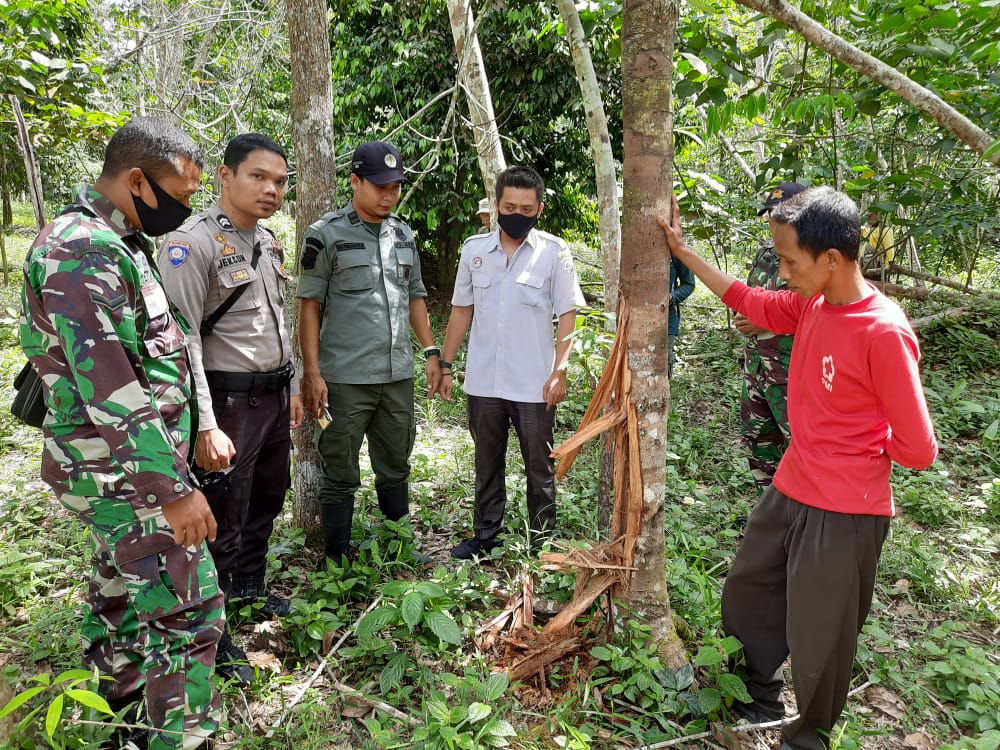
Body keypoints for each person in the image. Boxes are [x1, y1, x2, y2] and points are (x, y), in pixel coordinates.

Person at [657, 186, 937, 750]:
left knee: (821, 633)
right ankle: (754, 693)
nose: (782, 272)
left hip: (845, 507)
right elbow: (749, 300)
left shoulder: (882, 331)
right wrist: (682, 253)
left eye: (789, 261)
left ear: (831, 259)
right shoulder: (813, 303)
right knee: (748, 590)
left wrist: (859, 443)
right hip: (792, 484)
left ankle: (807, 736)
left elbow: (920, 449)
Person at [19, 117, 223, 750]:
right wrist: (172, 488)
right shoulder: (82, 249)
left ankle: (121, 720)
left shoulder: (120, 239)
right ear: (137, 180)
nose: (187, 207)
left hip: (124, 468)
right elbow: (108, 386)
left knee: (121, 598)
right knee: (188, 613)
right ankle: (182, 738)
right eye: (183, 195)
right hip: (124, 472)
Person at [158, 134, 303, 679]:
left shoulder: (266, 241)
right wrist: (206, 423)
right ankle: (210, 635)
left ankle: (249, 590)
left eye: (280, 181)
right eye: (258, 177)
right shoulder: (189, 244)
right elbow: (183, 338)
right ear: (225, 175)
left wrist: (291, 388)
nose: (271, 190)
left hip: (270, 397)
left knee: (266, 495)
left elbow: (276, 322)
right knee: (220, 512)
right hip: (224, 402)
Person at [297, 140, 438, 567]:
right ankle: (336, 558)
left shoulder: (403, 233)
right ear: (355, 181)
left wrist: (430, 351)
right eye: (379, 187)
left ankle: (399, 547)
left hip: (396, 376)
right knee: (339, 470)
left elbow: (415, 296)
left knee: (396, 465)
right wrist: (312, 372)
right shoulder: (326, 235)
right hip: (343, 378)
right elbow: (309, 305)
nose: (389, 196)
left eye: (395, 187)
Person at [432, 166, 585, 559]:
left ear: (540, 209)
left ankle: (541, 541)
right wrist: (446, 364)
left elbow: (568, 314)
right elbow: (461, 311)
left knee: (540, 467)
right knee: (487, 463)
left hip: (535, 383)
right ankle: (485, 536)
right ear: (496, 205)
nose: (517, 213)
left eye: (526, 207)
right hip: (484, 382)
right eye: (509, 205)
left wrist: (560, 370)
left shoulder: (554, 253)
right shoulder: (474, 251)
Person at [736, 181, 805, 492]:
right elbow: (752, 295)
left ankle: (803, 525)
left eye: (782, 214)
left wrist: (763, 322)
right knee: (759, 440)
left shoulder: (812, 260)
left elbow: (813, 312)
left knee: (801, 448)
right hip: (758, 367)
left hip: (792, 372)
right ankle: (770, 513)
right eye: (771, 214)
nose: (773, 220)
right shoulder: (766, 253)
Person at [667, 255, 695, 377]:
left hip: (667, 321)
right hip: (633, 320)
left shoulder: (674, 249)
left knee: (662, 365)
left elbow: (689, 284)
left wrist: (673, 297)